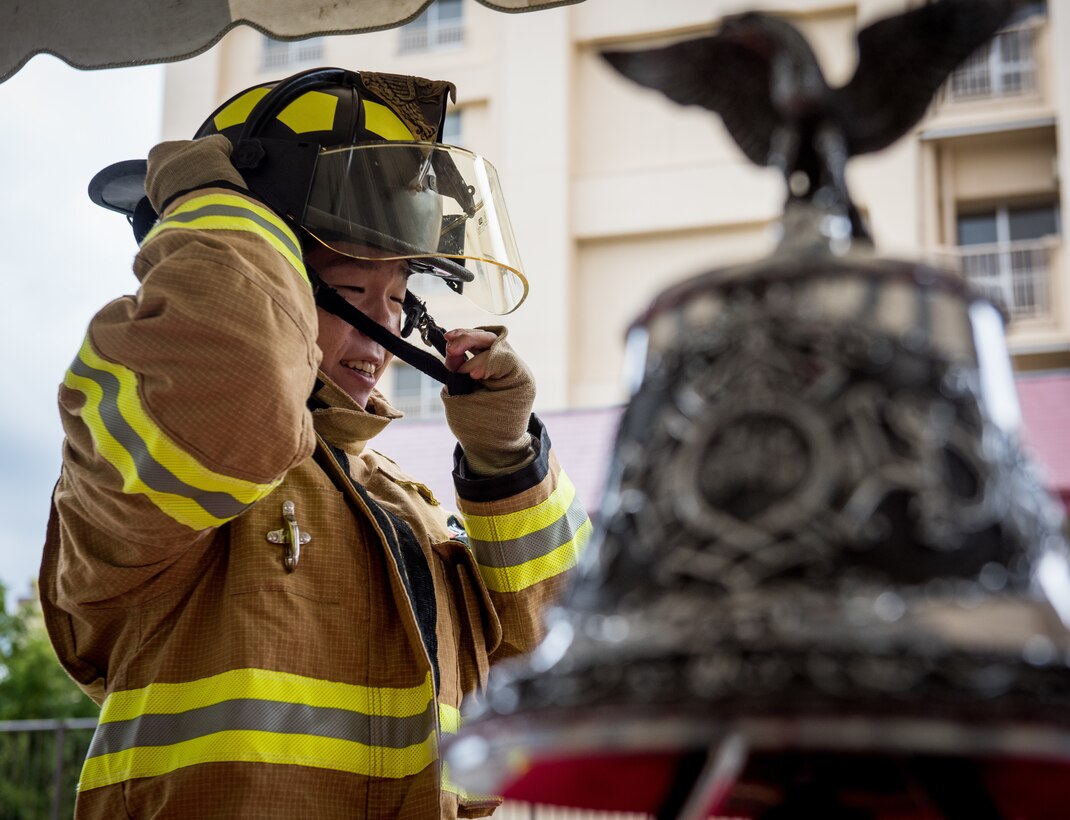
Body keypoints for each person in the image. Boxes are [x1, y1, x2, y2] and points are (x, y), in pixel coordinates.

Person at [38, 67, 592, 819]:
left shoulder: (410, 509)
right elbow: (235, 379)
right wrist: (225, 211)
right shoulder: (171, 453)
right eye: (355, 294)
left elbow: (561, 663)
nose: (387, 332)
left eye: (398, 297)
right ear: (278, 284)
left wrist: (507, 459)